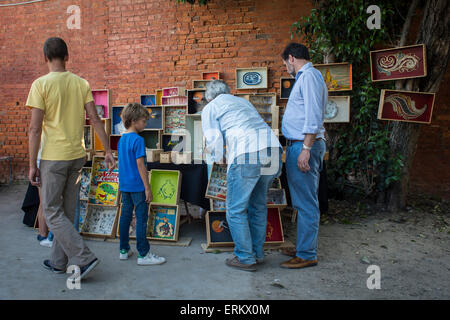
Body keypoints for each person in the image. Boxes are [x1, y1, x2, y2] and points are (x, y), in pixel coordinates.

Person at [27, 37, 115, 280]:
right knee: (65, 211)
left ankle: (84, 257)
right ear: (67, 57)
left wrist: (31, 164)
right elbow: (95, 120)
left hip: (53, 158)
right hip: (77, 156)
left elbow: (34, 130)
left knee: (51, 211)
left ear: (45, 57)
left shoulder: (40, 85)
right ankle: (58, 261)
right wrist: (107, 150)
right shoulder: (81, 83)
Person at [202, 80, 282, 272]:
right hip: (272, 150)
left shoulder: (211, 107)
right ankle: (257, 254)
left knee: (235, 209)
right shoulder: (242, 102)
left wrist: (220, 157)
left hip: (248, 153)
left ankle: (245, 258)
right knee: (258, 206)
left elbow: (213, 137)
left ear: (209, 97)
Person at [280, 42, 327, 269]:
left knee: (306, 202)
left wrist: (306, 149)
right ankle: (303, 246)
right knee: (301, 201)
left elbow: (313, 116)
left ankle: (307, 254)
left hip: (303, 145)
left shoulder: (308, 76)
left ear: (291, 58)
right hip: (299, 144)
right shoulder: (308, 77)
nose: (286, 68)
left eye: (285, 64)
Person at [117, 103, 166, 266]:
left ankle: (123, 250)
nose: (145, 124)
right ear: (133, 121)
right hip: (138, 186)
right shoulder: (138, 140)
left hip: (124, 185)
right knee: (141, 218)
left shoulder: (122, 139)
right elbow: (140, 165)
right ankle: (143, 254)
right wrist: (147, 187)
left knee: (125, 216)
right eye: (143, 121)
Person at [36, 146, 53, 248]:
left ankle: (43, 234)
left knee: (43, 202)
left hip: (42, 161)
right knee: (44, 202)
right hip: (46, 162)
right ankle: (45, 234)